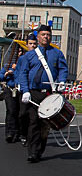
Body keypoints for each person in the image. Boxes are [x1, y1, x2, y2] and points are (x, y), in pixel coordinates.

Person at [19, 23, 68, 163]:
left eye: (48, 35)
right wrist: (25, 91)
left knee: (45, 124)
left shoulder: (57, 53)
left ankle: (40, 150)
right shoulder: (29, 55)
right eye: (43, 35)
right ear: (38, 37)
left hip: (49, 94)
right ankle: (33, 152)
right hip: (34, 93)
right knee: (33, 122)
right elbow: (23, 73)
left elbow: (63, 69)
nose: (46, 37)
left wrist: (62, 81)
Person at [0, 47, 22, 143]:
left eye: (21, 51)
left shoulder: (24, 63)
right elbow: (1, 76)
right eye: (19, 51)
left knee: (19, 112)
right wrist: (6, 74)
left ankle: (17, 133)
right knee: (11, 110)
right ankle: (9, 132)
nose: (19, 53)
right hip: (10, 89)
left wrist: (16, 70)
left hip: (20, 90)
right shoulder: (8, 63)